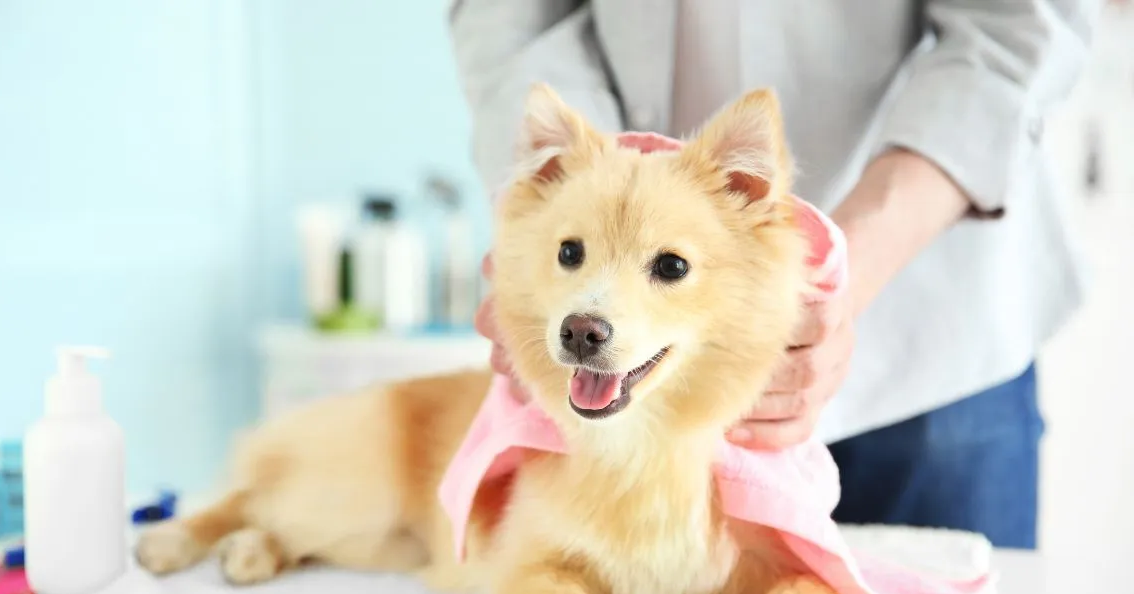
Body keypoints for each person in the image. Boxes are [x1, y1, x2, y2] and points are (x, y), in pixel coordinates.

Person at [447, 1, 1097, 549]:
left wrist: (834, 282)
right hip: (623, 417)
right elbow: (511, 24)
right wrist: (577, 214)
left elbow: (1017, 29)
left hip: (930, 340)